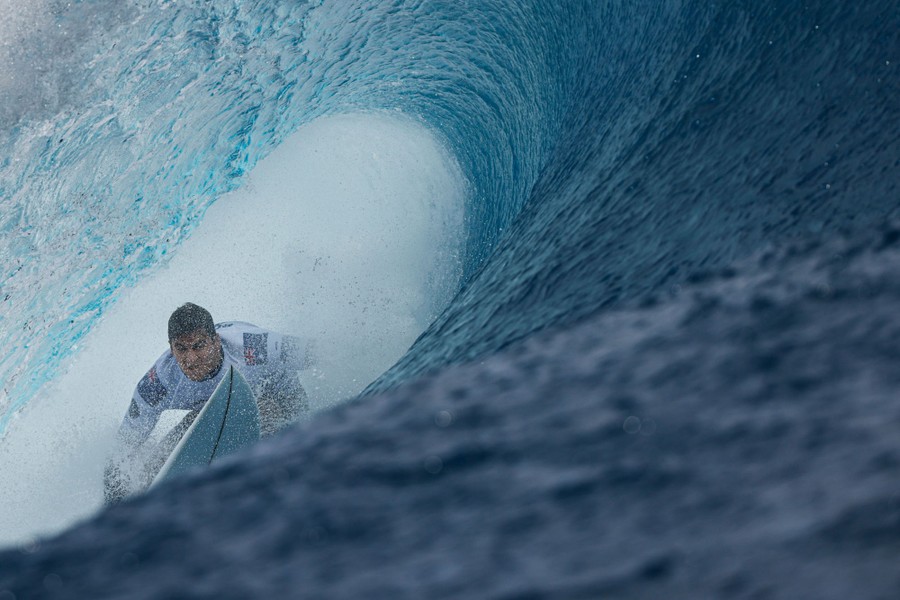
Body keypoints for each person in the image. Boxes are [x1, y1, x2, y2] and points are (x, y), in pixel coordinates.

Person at [104, 303, 312, 503]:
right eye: (181, 349)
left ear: (216, 341)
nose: (191, 359)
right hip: (213, 409)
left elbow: (318, 352)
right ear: (171, 349)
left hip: (277, 396)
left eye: (199, 346)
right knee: (152, 466)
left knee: (266, 411)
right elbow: (122, 449)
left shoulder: (252, 346)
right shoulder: (159, 382)